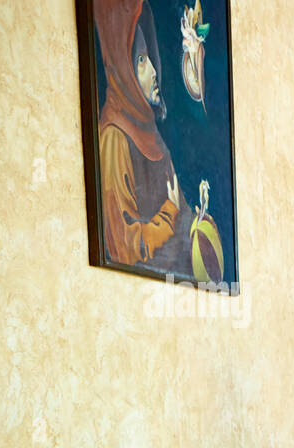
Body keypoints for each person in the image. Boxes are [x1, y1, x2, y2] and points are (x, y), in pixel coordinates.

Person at [94, 0, 194, 272]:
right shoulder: (114, 139)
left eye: (149, 58)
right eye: (140, 61)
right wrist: (169, 215)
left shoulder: (153, 137)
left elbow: (180, 210)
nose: (152, 72)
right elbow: (123, 247)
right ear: (122, 67)